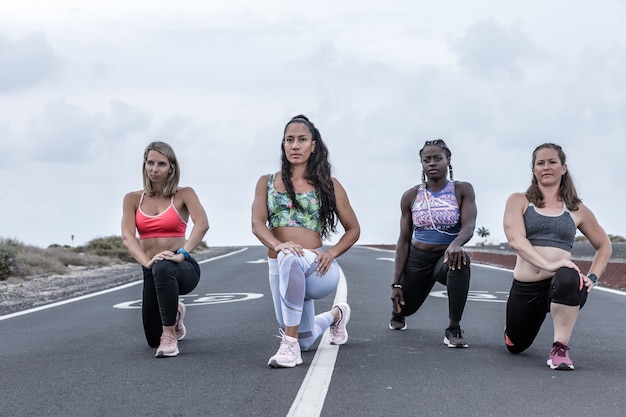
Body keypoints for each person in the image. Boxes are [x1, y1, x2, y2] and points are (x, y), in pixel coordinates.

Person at [251, 114, 360, 368]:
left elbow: (353, 229)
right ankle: (337, 314)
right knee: (305, 339)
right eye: (289, 140)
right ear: (283, 144)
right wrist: (278, 245)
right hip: (279, 266)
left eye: (302, 140)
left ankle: (288, 347)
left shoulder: (329, 185)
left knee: (290, 257)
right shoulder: (266, 182)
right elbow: (257, 224)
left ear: (313, 145)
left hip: (317, 270)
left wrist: (331, 253)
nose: (295, 145)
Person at [503, 143, 611, 370]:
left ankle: (560, 349)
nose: (546, 167)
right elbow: (516, 241)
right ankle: (513, 333)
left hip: (560, 284)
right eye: (540, 163)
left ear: (563, 168)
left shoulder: (577, 209)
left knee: (569, 275)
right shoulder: (518, 200)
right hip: (527, 288)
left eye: (552, 162)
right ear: (533, 169)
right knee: (516, 345)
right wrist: (550, 264)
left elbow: (604, 245)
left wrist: (593, 276)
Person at [121, 141, 209, 358]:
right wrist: (146, 261)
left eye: (161, 164)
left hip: (182, 267)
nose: (154, 169)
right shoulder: (132, 199)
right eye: (150, 163)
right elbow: (127, 236)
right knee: (152, 339)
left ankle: (169, 335)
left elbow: (202, 224)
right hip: (152, 270)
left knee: (163, 266)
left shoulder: (183, 194)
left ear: (171, 167)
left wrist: (182, 254)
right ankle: (175, 314)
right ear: (144, 165)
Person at [390, 139, 477, 348]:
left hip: (446, 257)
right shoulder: (411, 196)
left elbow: (469, 226)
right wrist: (396, 283)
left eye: (437, 158)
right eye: (426, 160)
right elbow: (403, 241)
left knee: (460, 260)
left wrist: (456, 244)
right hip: (417, 259)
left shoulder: (462, 190)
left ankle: (453, 328)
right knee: (405, 308)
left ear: (448, 160)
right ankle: (397, 311)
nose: (432, 163)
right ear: (421, 164)